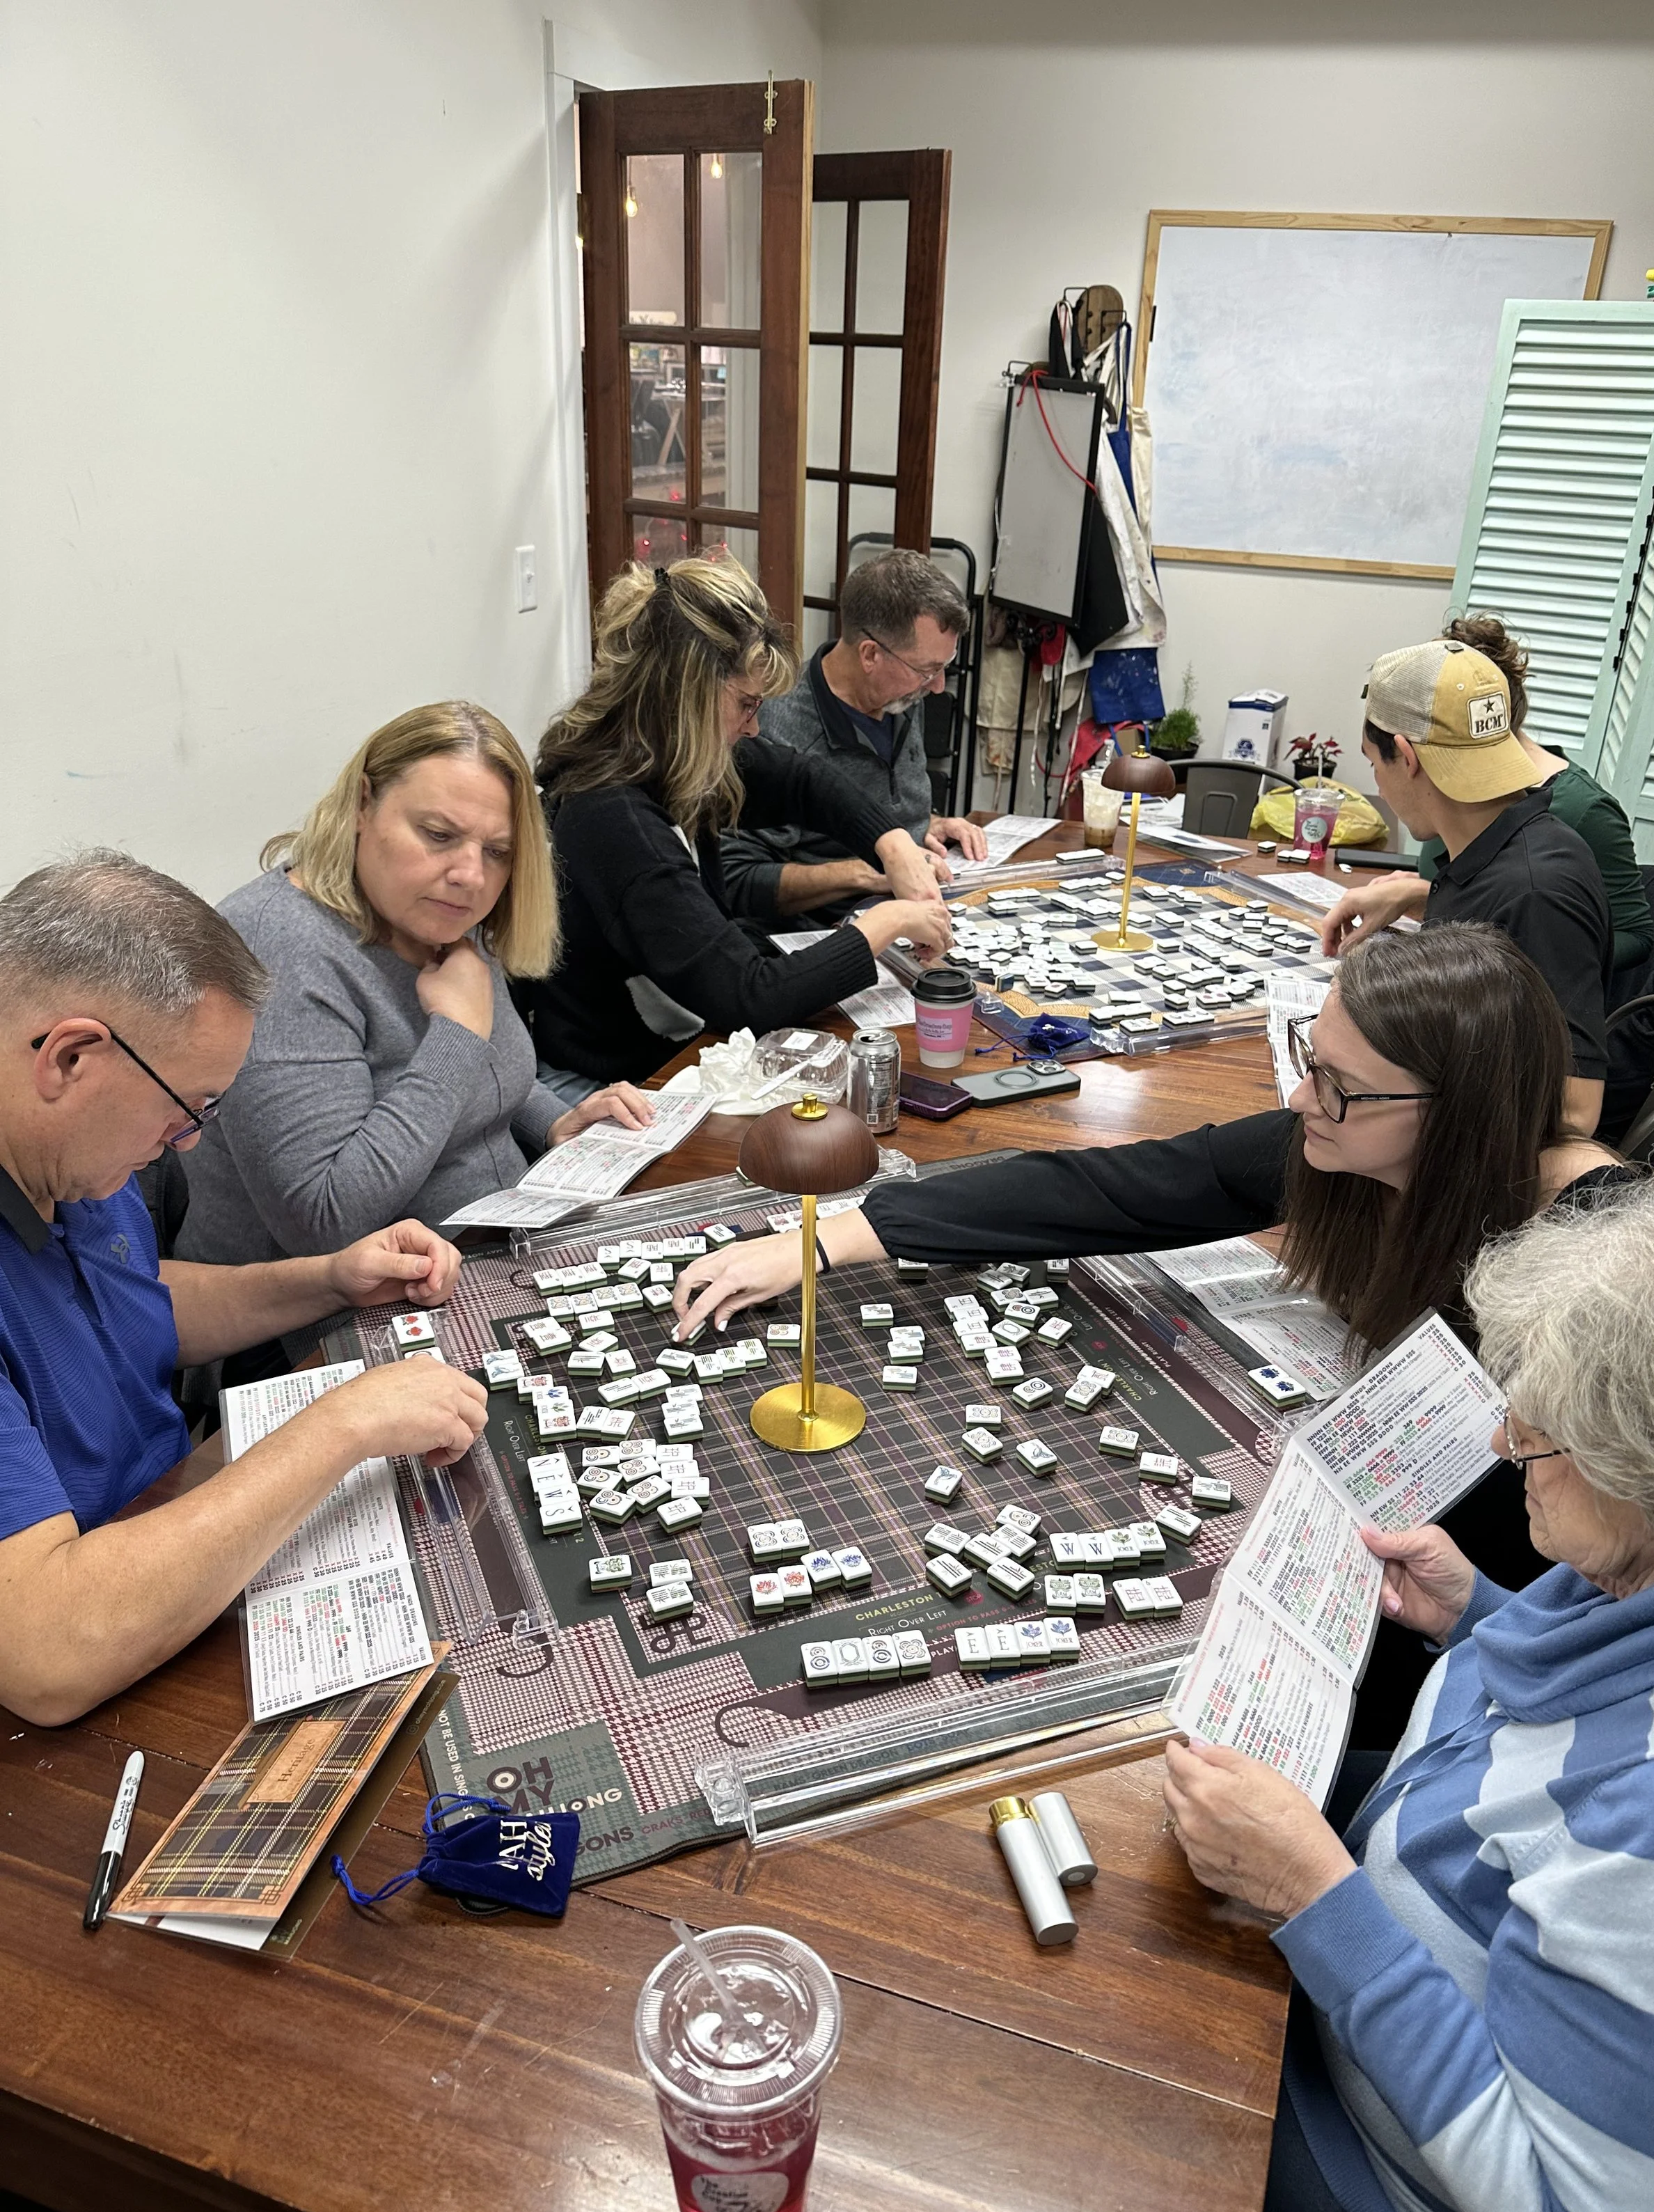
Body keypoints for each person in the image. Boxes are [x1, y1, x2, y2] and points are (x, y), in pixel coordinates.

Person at [672, 923, 1628, 1742]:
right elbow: (1120, 1188)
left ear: (1451, 1114)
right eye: (1311, 1059)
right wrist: (831, 1240)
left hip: (1489, 1641)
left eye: (1338, 1085)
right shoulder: (1350, 1146)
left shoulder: (1603, 1271)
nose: (1302, 1100)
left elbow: (1605, 1586)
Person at [1160, 1163, 1654, 2212]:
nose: (1505, 1438)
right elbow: (1587, 1734)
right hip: (1358, 2005)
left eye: (1545, 1431)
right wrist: (1484, 1619)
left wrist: (1319, 1900)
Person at [0, 852, 487, 1727]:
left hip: (170, 1530)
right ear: (70, 1057)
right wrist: (342, 1426)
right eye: (187, 1107)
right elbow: (49, 1652)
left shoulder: (68, 1157)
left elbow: (121, 1300)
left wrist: (326, 1279)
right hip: (91, 1654)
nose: (190, 1141)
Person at [177, 701, 654, 1269]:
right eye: (438, 834)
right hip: (331, 1306)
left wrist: (553, 1121)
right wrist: (455, 1033)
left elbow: (488, 1072)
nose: (471, 875)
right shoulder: (279, 947)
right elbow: (324, 1221)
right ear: (362, 803)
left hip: (494, 1240)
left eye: (498, 851)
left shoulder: (436, 907)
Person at [517, 556, 953, 1091]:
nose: (754, 728)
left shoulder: (665, 747)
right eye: (746, 705)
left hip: (680, 1047)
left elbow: (801, 779)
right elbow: (751, 995)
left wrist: (893, 845)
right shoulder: (612, 818)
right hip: (616, 1081)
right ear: (686, 697)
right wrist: (890, 921)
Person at [1317, 636, 1612, 1135]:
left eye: (1373, 763)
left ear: (1406, 756)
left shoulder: (1536, 895)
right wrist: (1418, 893)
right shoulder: (1494, 850)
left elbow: (1574, 1113)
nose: (1379, 784)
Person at [718, 548, 988, 927]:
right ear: (870, 655)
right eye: (928, 670)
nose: (938, 686)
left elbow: (879, 794)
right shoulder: (772, 727)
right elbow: (738, 879)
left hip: (922, 905)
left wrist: (926, 823)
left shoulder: (902, 696)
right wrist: (872, 871)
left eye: (945, 667)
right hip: (828, 933)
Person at [1413, 613, 1653, 970]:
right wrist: (1419, 896)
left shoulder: (1584, 810)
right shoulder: (1445, 786)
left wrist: (1507, 954)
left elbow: (1636, 934)